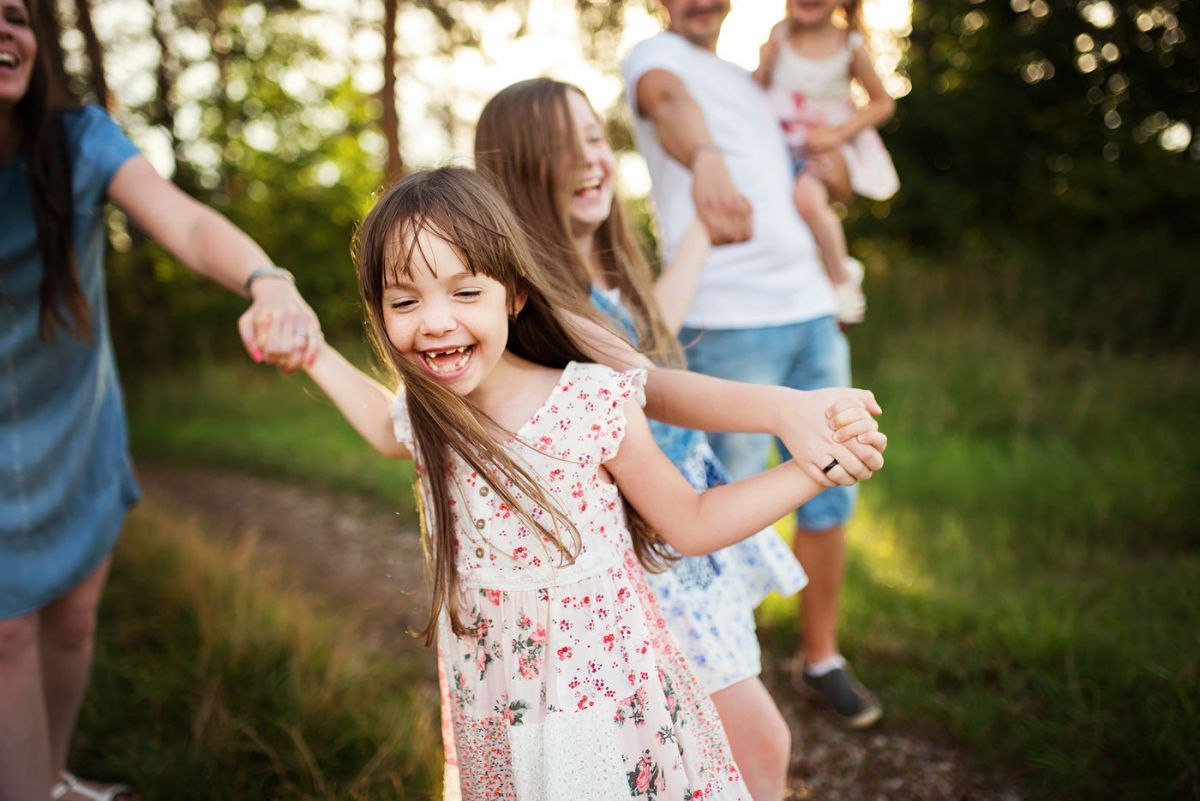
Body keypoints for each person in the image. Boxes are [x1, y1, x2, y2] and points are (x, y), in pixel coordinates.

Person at [256, 165, 887, 800]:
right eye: (405, 300)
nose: (436, 321)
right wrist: (313, 353)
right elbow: (380, 425)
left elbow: (692, 522)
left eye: (464, 292)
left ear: (513, 294)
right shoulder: (432, 414)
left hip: (605, 701)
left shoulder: (589, 402)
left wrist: (812, 471)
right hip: (502, 706)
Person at [474, 77, 885, 800]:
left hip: (683, 515)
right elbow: (647, 381)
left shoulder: (592, 272)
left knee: (717, 749)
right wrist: (779, 408)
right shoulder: (538, 297)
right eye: (564, 145)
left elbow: (651, 327)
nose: (591, 158)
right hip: (655, 533)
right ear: (517, 168)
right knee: (757, 747)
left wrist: (699, 228)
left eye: (597, 137)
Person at [0, 1, 321, 798]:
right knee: (6, 631)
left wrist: (267, 278)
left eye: (13, 15)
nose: (4, 33)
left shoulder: (79, 141)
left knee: (72, 618)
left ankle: (49, 777)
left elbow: (185, 224)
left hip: (73, 423)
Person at [623, 0, 885, 728]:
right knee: (730, 505)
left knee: (834, 485)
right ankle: (730, 678)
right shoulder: (655, 58)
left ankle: (819, 658)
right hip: (726, 319)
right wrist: (707, 157)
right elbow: (669, 106)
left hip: (810, 309)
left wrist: (829, 175)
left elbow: (809, 168)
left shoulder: (753, 78)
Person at [753, 0, 899, 320]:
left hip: (823, 147)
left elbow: (882, 103)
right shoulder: (779, 37)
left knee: (807, 202)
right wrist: (763, 65)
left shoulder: (848, 45)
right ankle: (819, 276)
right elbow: (755, 91)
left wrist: (837, 134)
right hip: (779, 148)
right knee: (787, 220)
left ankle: (842, 280)